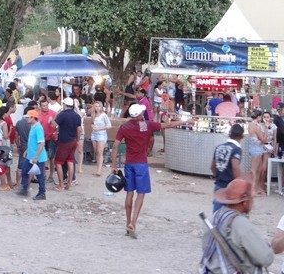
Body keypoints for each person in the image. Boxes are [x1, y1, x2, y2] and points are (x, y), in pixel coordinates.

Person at [110, 103, 194, 239]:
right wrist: (186, 121)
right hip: (141, 164)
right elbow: (168, 125)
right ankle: (133, 223)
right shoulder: (147, 125)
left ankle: (127, 222)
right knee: (141, 194)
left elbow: (115, 146)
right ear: (140, 115)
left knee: (129, 193)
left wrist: (114, 165)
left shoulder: (124, 127)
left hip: (129, 164)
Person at [200, 176, 274, 273]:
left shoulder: (215, 217)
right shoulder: (240, 223)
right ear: (244, 202)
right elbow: (266, 258)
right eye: (251, 198)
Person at [211, 123, 244, 212]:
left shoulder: (219, 147)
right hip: (230, 186)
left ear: (230, 134)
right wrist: (239, 183)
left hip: (219, 184)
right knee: (231, 212)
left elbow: (213, 167)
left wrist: (218, 176)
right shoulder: (237, 149)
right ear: (242, 137)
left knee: (217, 212)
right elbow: (235, 167)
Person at [15, 109, 47, 200]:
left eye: (28, 117)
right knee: (25, 171)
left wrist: (36, 156)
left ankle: (42, 193)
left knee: (39, 175)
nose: (26, 119)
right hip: (31, 156)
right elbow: (34, 142)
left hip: (37, 157)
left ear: (33, 118)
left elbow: (41, 143)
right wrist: (27, 150)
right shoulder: (34, 127)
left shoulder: (37, 128)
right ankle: (25, 189)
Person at [54, 98, 83, 190]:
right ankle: (69, 183)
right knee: (70, 161)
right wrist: (77, 139)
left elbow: (53, 124)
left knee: (58, 162)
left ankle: (61, 184)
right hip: (73, 140)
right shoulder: (77, 116)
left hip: (64, 141)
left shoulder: (62, 114)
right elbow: (79, 129)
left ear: (65, 105)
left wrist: (56, 115)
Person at [90, 101, 111, 177]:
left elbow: (109, 125)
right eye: (96, 106)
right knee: (96, 152)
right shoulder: (93, 115)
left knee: (100, 152)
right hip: (94, 134)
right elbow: (92, 123)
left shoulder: (103, 115)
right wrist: (92, 126)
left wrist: (99, 128)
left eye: (99, 106)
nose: (97, 108)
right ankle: (97, 168)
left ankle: (99, 170)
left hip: (101, 135)